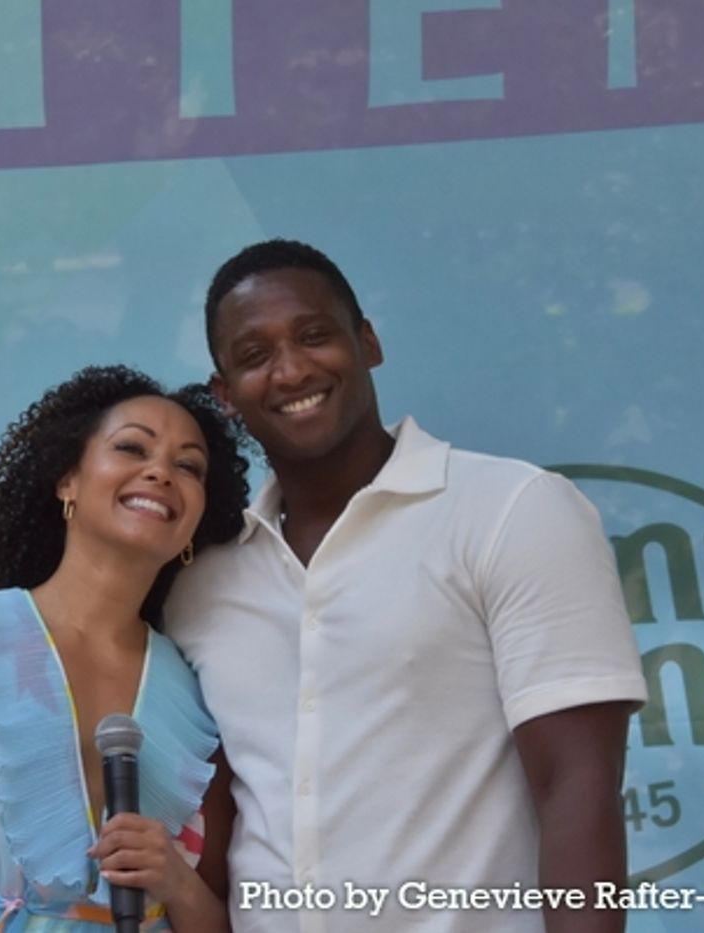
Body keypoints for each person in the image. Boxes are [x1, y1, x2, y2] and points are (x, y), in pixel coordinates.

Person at [163, 240, 649, 933]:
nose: (291, 368)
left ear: (368, 341)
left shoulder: (512, 509)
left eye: (314, 335)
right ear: (226, 396)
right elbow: (217, 820)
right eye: (254, 355)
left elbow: (576, 786)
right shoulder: (201, 582)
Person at [0, 364, 250, 932]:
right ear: (67, 480)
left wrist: (175, 881)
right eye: (131, 448)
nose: (160, 472)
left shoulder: (202, 700)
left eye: (188, 466)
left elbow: (220, 918)